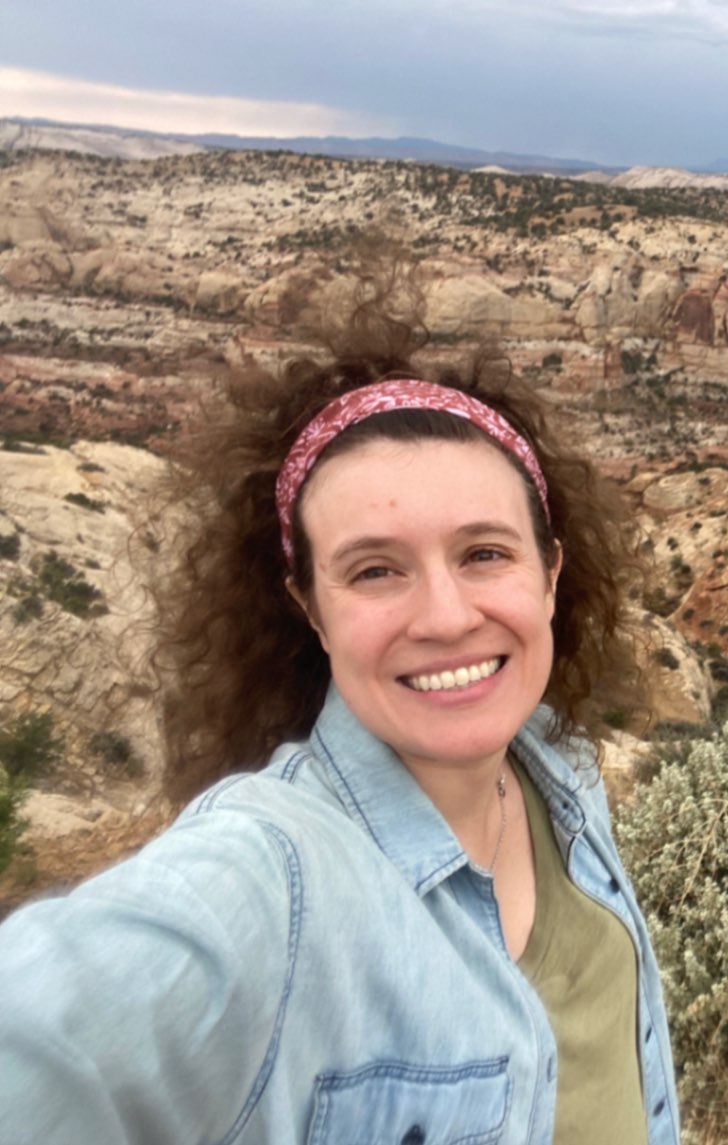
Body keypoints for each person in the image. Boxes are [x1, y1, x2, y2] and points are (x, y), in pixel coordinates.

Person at [0, 301, 680, 1144]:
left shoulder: (557, 768)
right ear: (310, 611)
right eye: (375, 569)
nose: (443, 615)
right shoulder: (275, 876)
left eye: (484, 553)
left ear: (550, 574)